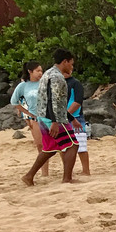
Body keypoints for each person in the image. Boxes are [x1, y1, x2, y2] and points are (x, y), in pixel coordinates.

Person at [22, 48, 79, 186]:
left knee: (50, 148)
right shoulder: (56, 77)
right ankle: (67, 179)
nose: (72, 66)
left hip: (43, 117)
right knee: (73, 145)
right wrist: (54, 121)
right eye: (71, 63)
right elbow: (52, 100)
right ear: (64, 62)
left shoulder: (48, 73)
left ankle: (29, 176)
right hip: (53, 118)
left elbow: (55, 101)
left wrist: (72, 118)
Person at [10, 61, 48, 178]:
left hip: (49, 116)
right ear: (30, 72)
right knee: (41, 146)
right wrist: (28, 113)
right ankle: (44, 173)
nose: (40, 73)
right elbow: (14, 102)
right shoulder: (23, 86)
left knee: (59, 144)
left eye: (41, 70)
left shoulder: (45, 82)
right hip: (35, 118)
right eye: (38, 71)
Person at [64, 70, 90, 177]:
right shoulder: (57, 84)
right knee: (64, 146)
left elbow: (77, 102)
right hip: (64, 118)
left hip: (76, 116)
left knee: (81, 145)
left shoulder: (75, 83)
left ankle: (86, 170)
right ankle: (69, 170)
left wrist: (66, 114)